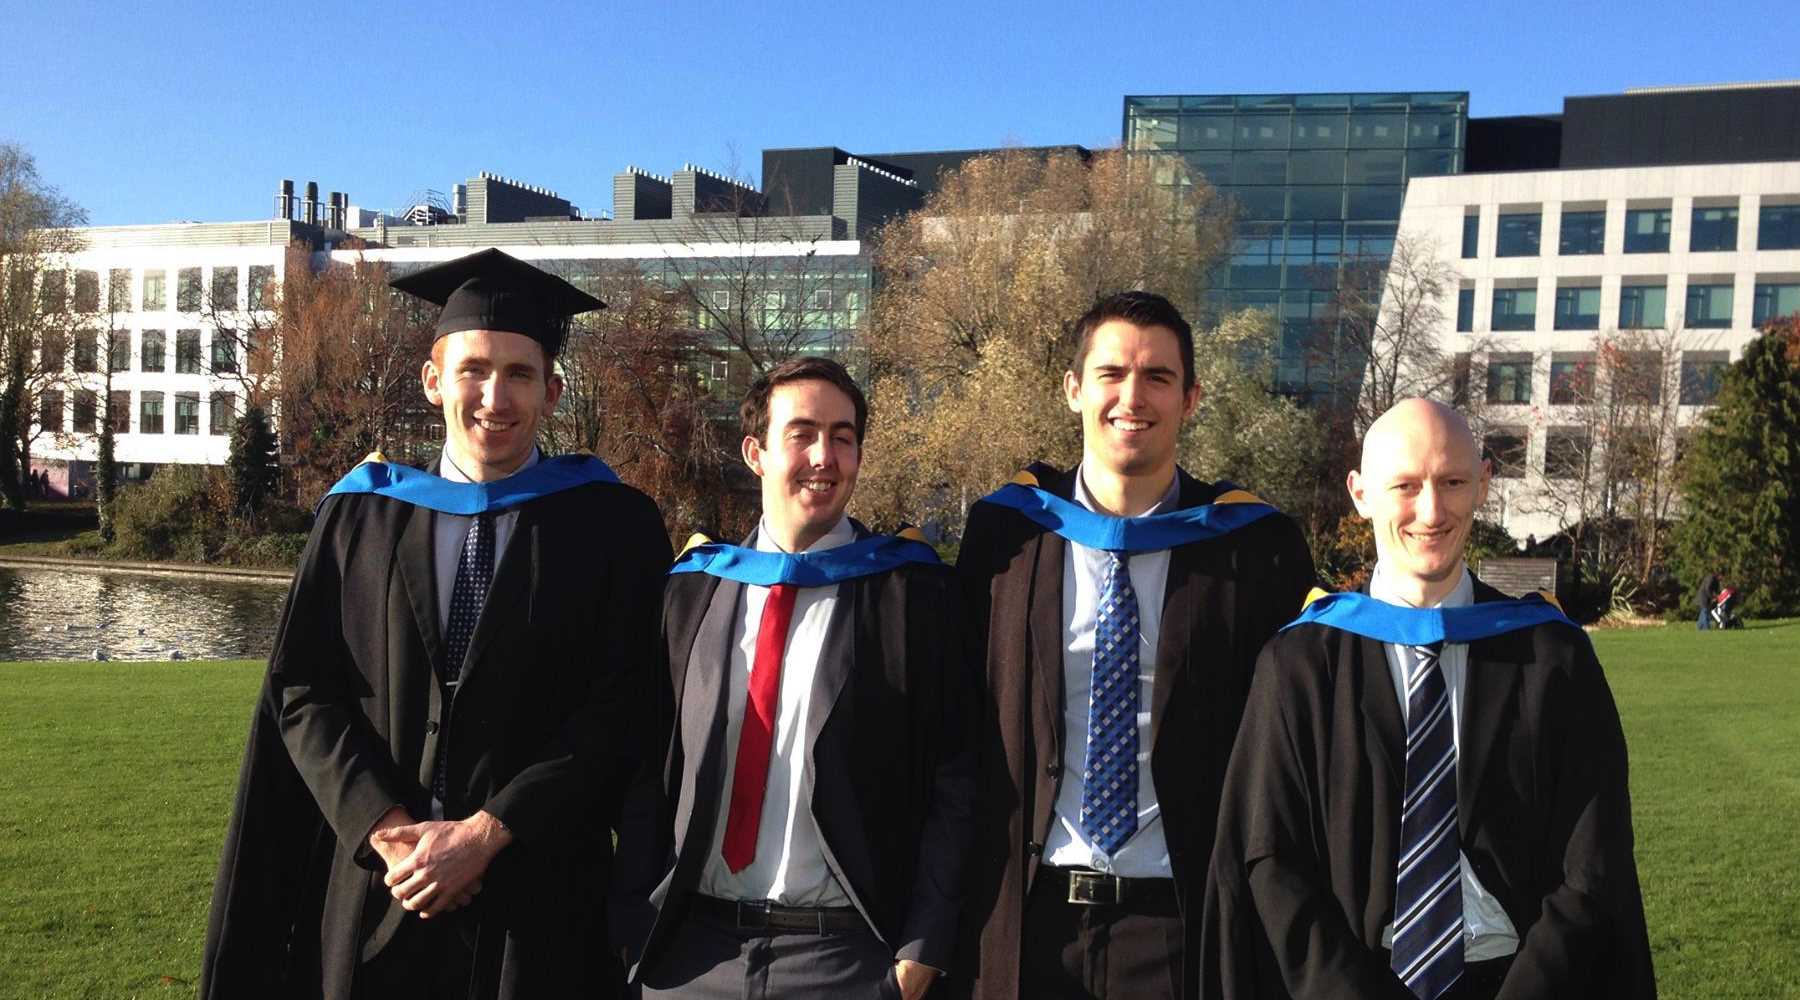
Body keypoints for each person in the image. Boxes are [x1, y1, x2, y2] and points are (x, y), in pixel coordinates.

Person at [199, 248, 672, 1000]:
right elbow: (304, 690)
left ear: (553, 391)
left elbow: (627, 706)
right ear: (432, 381)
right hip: (380, 896)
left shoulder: (614, 525)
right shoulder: (361, 515)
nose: (496, 396)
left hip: (541, 909)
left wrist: (485, 835)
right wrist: (390, 835)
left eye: (520, 374)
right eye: (474, 370)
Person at [1203, 398, 1654, 999]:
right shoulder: (1301, 663)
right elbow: (1271, 860)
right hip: (1354, 983)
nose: (1431, 510)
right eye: (1406, 486)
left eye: (1452, 482)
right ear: (1360, 494)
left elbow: (1592, 862)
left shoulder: (1550, 657)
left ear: (1484, 485)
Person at [954, 291, 1316, 1000]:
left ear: (1191, 398)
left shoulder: (1255, 547)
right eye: (1111, 373)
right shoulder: (1008, 537)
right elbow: (955, 728)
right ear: (1073, 389)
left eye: (1158, 378)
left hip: (1185, 927)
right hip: (1027, 919)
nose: (1132, 396)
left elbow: (1289, 752)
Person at [618, 357, 976, 1000]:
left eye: (843, 437)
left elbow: (957, 775)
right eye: (802, 433)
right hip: (690, 955)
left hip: (845, 958)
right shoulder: (695, 589)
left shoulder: (908, 594)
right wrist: (632, 927)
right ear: (755, 452)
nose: (824, 456)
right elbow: (647, 765)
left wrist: (922, 946)